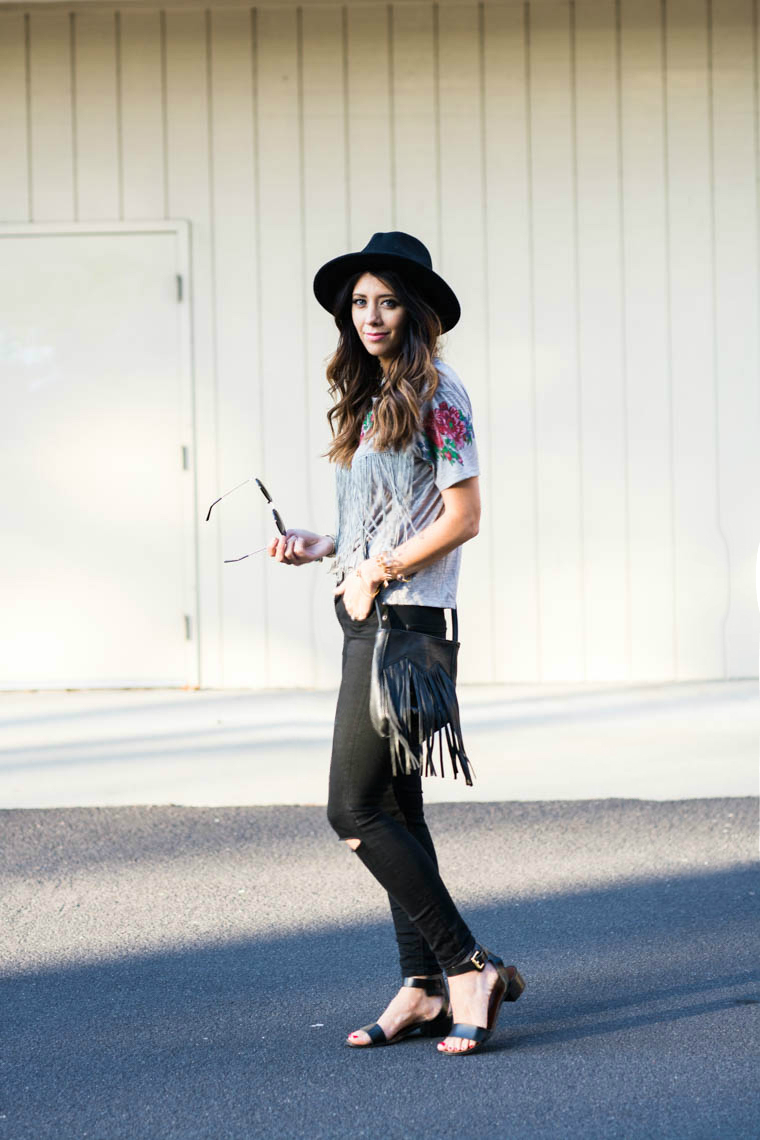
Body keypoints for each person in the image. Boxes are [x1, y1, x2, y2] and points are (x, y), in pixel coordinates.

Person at [267, 232, 524, 1055]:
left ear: (414, 310)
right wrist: (324, 546)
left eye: (386, 301)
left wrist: (375, 568)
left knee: (352, 808)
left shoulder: (440, 393)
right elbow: (383, 519)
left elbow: (463, 519)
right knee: (398, 810)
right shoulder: (375, 396)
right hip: (370, 611)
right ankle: (420, 987)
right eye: (359, 303)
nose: (370, 315)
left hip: (405, 625)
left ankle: (467, 965)